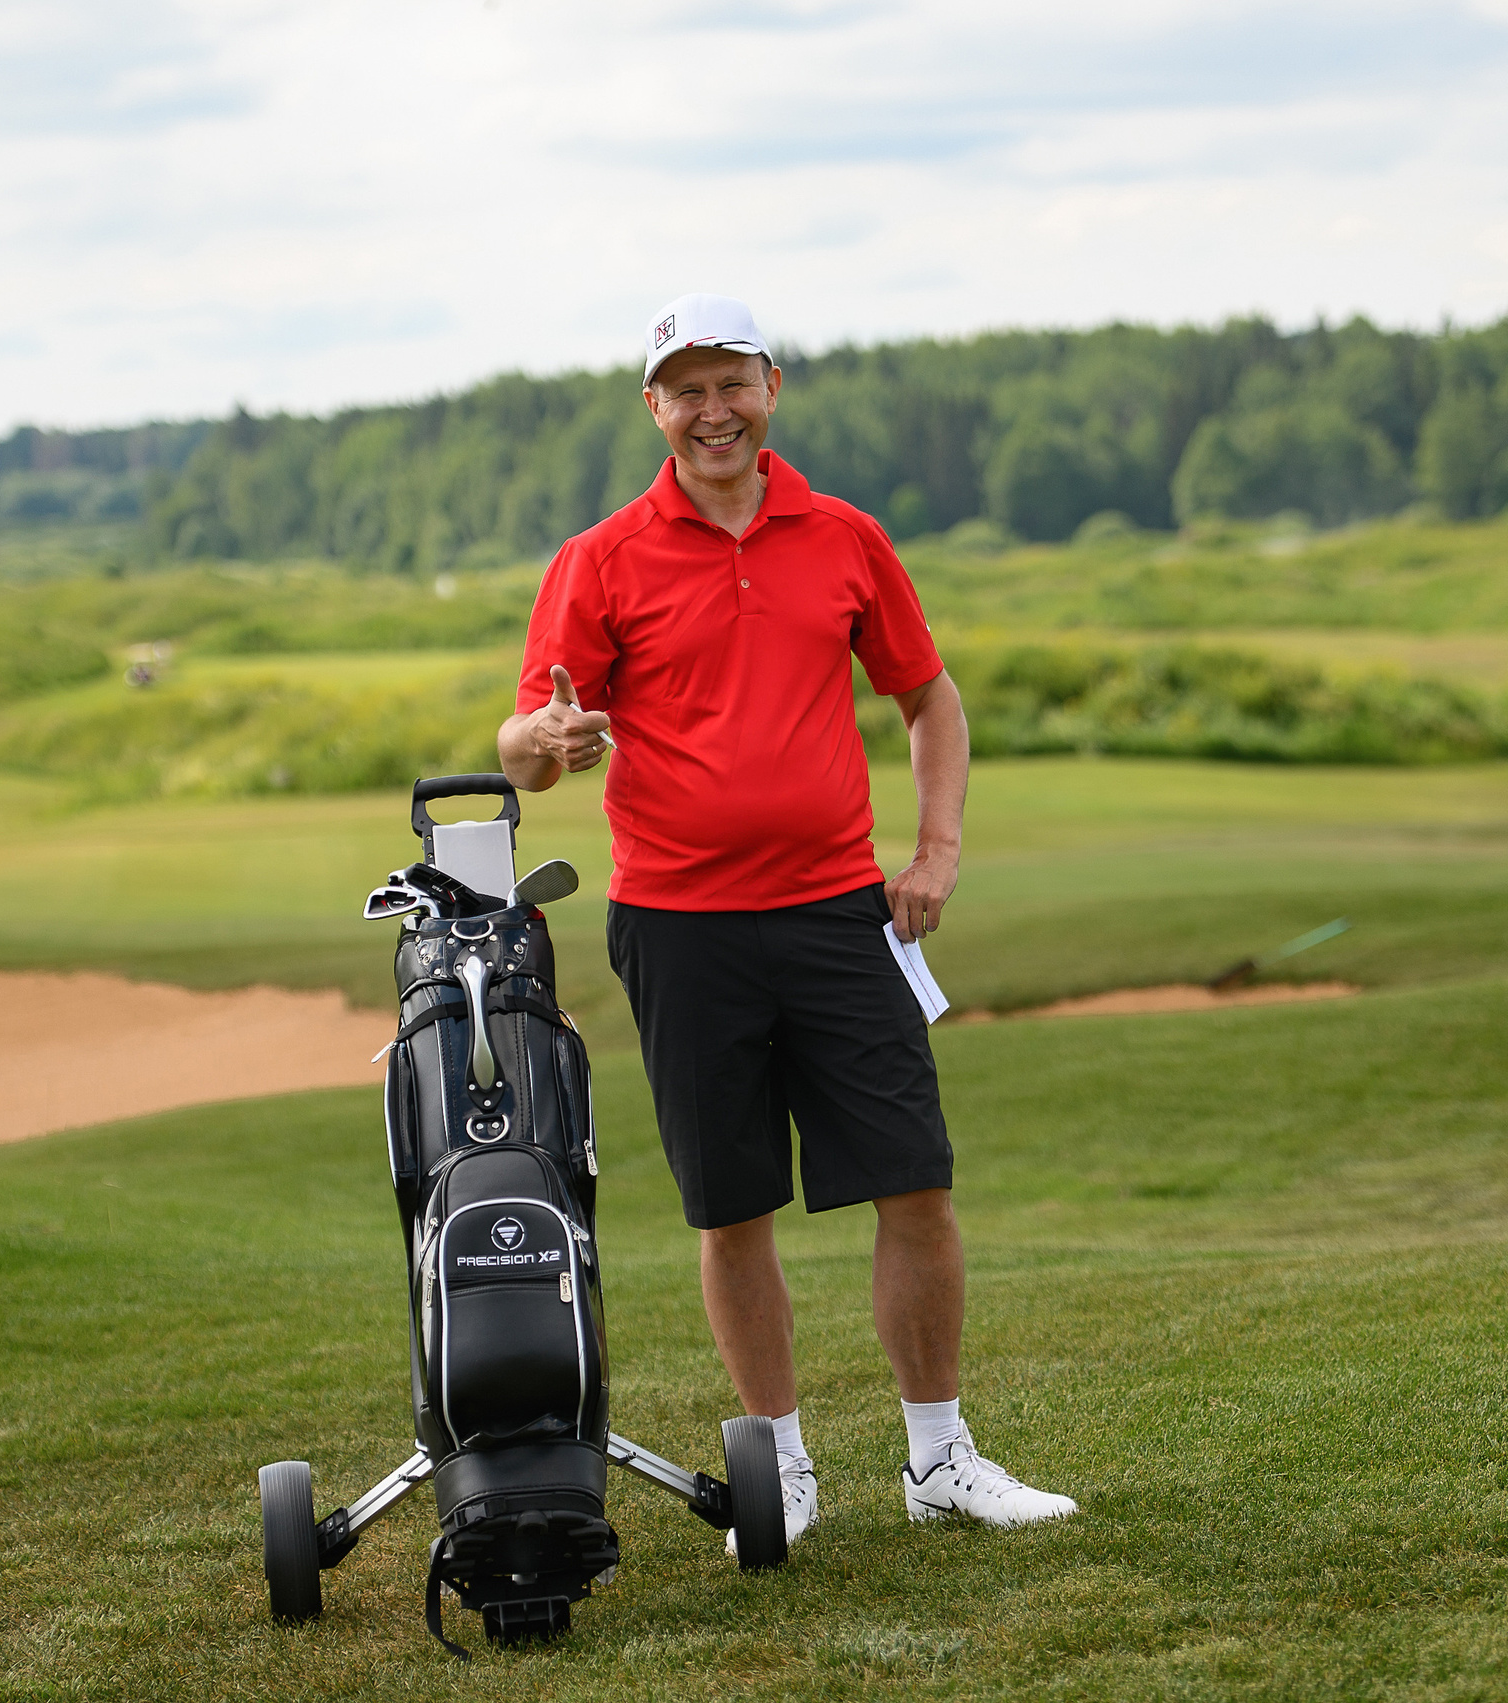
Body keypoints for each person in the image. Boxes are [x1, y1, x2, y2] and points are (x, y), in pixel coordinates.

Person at [497, 292, 1076, 1550]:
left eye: (731, 383)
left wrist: (936, 849)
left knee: (913, 1183)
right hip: (680, 924)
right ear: (653, 406)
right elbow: (529, 745)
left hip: (835, 912)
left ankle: (938, 1456)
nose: (712, 410)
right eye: (684, 388)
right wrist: (539, 743)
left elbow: (929, 700)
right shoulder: (600, 558)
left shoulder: (845, 536)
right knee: (732, 1209)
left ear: (772, 388)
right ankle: (782, 1465)